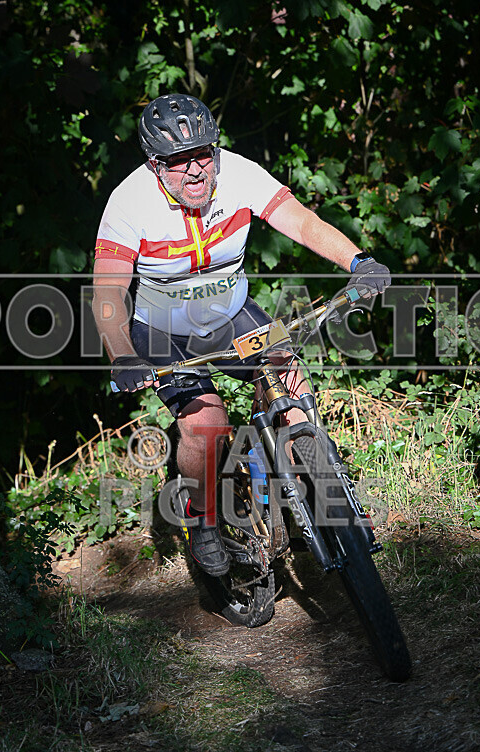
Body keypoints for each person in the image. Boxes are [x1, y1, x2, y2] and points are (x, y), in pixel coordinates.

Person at [92, 93, 391, 577]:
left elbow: (302, 222)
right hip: (163, 331)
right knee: (207, 425)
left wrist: (358, 261)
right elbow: (106, 294)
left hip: (231, 315)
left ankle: (314, 497)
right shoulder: (129, 203)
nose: (195, 170)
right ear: (154, 165)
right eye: (178, 161)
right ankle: (202, 517)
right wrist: (122, 355)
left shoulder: (239, 173)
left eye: (203, 154)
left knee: (290, 385)